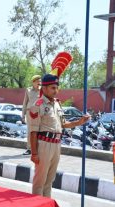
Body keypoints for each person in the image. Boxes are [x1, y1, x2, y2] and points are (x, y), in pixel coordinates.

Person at [29, 52, 90, 198]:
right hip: (43, 145)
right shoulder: (37, 105)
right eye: (52, 88)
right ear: (43, 89)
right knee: (40, 182)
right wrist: (34, 153)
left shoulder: (56, 104)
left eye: (57, 88)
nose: (55, 91)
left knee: (49, 181)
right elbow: (33, 132)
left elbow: (63, 124)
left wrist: (79, 122)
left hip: (56, 144)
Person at [22, 75, 41, 155]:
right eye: (37, 81)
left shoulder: (43, 90)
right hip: (29, 113)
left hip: (40, 113)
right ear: (33, 82)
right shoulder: (28, 90)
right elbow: (25, 102)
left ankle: (39, 149)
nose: (39, 83)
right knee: (30, 131)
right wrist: (23, 115)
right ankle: (29, 149)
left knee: (40, 131)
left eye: (40, 81)